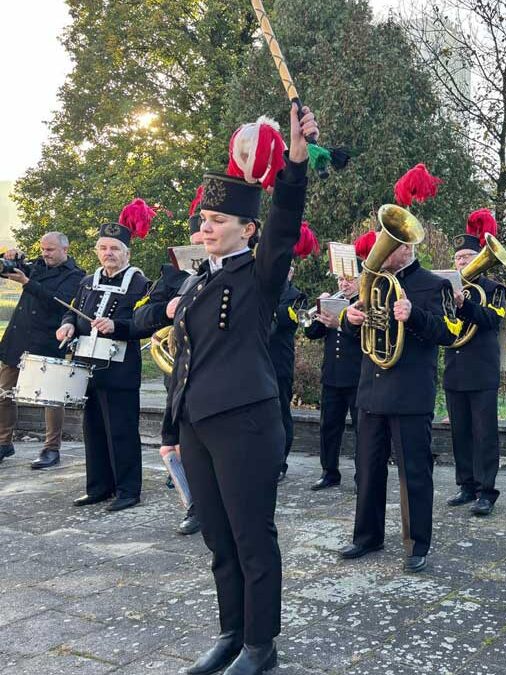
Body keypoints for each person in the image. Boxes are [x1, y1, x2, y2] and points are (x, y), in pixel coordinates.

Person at [169, 107, 317, 675]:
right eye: (203, 219)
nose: (204, 228)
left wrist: (295, 159)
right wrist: (171, 430)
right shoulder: (195, 278)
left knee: (253, 538)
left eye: (216, 220)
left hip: (247, 424)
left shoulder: (258, 275)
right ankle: (231, 632)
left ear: (246, 229)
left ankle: (261, 645)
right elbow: (185, 359)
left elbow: (286, 218)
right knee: (218, 538)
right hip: (197, 424)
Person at [338, 163, 456, 574]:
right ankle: (366, 536)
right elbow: (366, 331)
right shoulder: (374, 283)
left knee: (414, 474)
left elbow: (447, 333)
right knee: (366, 470)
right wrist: (351, 321)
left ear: (408, 248)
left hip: (410, 393)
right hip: (372, 388)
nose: (385, 252)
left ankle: (417, 543)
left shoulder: (432, 285)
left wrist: (415, 317)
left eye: (393, 246)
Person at [57, 202, 155, 512]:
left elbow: (146, 323)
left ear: (127, 253)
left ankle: (128, 490)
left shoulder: (141, 284)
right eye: (103, 247)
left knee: (122, 431)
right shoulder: (87, 281)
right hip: (87, 366)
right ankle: (98, 487)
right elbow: (70, 312)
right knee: (94, 429)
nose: (108, 253)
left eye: (114, 248)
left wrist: (118, 326)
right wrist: (67, 326)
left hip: (120, 368)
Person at [132, 195, 207, 535]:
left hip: (219, 374)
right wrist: (166, 309)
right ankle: (193, 505)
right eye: (195, 246)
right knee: (175, 445)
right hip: (180, 375)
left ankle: (213, 504)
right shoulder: (170, 276)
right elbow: (139, 318)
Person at [443, 209, 506, 517]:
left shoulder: (494, 290)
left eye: (469, 256)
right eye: (459, 258)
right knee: (460, 432)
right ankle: (466, 485)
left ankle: (487, 491)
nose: (463, 262)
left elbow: (491, 320)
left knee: (484, 434)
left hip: (481, 371)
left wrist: (464, 305)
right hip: (455, 368)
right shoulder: (444, 287)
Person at [0, 233, 84, 468]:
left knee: (51, 399)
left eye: (50, 250)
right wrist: (9, 256)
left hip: (47, 341)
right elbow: (5, 271)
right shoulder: (36, 266)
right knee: (3, 394)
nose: (45, 253)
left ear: (65, 249)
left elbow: (58, 301)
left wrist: (27, 283)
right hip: (18, 338)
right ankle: (4, 442)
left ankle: (51, 448)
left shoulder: (75, 275)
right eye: (43, 249)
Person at [303, 238, 364, 491]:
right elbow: (313, 333)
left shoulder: (364, 303)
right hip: (332, 376)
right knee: (329, 427)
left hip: (358, 376)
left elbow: (367, 336)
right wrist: (318, 310)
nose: (344, 283)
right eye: (341, 279)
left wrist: (340, 323)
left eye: (349, 279)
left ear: (361, 280)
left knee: (362, 430)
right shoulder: (333, 300)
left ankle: (364, 475)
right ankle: (329, 472)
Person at [269, 239, 312, 482]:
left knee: (280, 412)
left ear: (291, 271)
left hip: (279, 361)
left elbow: (280, 323)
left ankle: (281, 461)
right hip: (257, 361)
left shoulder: (297, 296)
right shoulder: (262, 291)